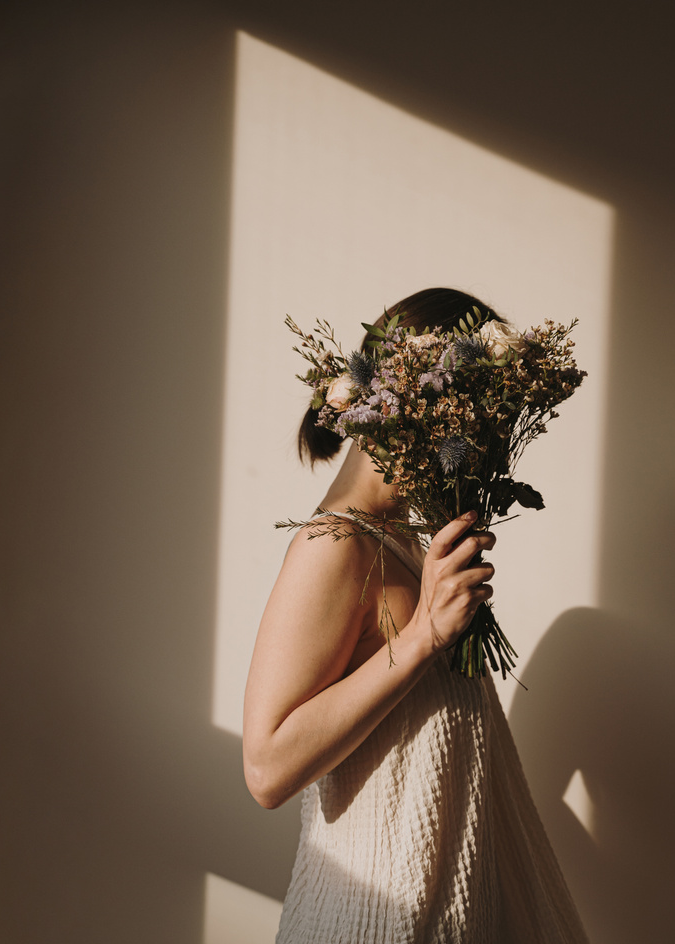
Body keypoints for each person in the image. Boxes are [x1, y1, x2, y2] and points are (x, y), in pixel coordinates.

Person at [243, 288, 589, 943]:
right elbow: (266, 769)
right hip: (369, 923)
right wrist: (427, 632)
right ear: (399, 402)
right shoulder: (331, 547)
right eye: (469, 409)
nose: (480, 434)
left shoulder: (405, 543)